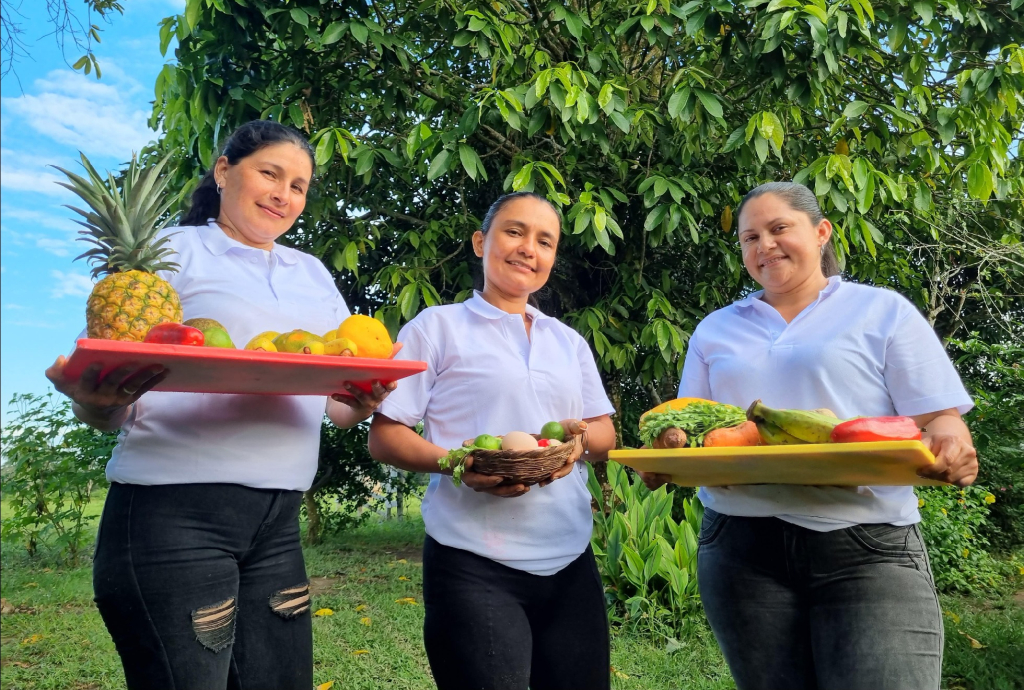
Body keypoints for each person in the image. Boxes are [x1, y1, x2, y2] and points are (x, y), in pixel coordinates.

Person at [46, 121, 395, 690]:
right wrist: (96, 404)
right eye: (270, 173)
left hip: (277, 520)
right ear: (224, 170)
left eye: (300, 186)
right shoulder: (170, 254)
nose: (285, 194)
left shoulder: (311, 272)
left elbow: (335, 407)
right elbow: (114, 406)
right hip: (171, 515)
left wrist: (365, 397)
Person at [639, 182, 977, 690]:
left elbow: (940, 418)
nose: (764, 246)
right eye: (750, 237)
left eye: (779, 229)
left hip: (867, 545)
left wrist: (953, 443)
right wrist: (667, 453)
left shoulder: (880, 310)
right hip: (740, 545)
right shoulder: (716, 328)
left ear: (821, 232)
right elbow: (689, 425)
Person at [368, 192, 617, 690]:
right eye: (514, 231)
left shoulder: (567, 341)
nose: (529, 248)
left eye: (545, 241)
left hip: (570, 559)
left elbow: (604, 432)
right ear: (481, 242)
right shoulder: (437, 327)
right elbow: (386, 436)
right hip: (473, 564)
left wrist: (575, 444)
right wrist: (458, 464)